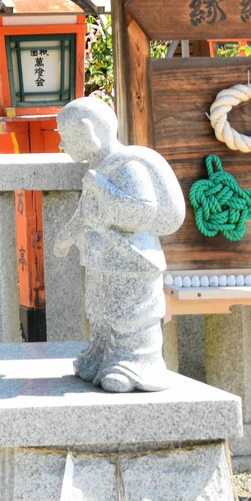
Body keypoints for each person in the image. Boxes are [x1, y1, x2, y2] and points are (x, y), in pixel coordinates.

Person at [53, 95, 186, 392]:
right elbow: (85, 213)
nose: (62, 146)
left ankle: (134, 364)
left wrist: (103, 188)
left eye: (66, 138)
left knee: (131, 315)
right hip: (100, 258)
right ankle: (100, 354)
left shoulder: (127, 166)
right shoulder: (98, 168)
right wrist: (67, 236)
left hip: (132, 259)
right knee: (99, 311)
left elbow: (142, 210)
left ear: (88, 131)